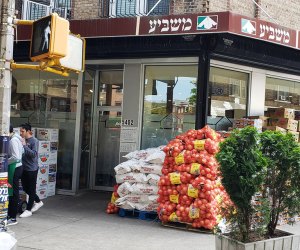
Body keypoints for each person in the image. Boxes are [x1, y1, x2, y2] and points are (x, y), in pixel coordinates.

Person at [19, 123, 43, 218]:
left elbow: (33, 154)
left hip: (32, 169)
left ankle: (28, 210)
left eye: (22, 131)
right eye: (20, 131)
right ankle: (38, 201)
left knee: (31, 189)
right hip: (24, 168)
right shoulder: (22, 140)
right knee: (25, 188)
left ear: (28, 131)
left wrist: (25, 146)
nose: (21, 133)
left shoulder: (34, 141)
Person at [7, 125, 24, 226]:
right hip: (17, 166)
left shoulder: (13, 140)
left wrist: (5, 162)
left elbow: (16, 156)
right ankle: (10, 215)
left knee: (13, 192)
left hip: (15, 167)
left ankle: (13, 217)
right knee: (12, 191)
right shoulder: (16, 138)